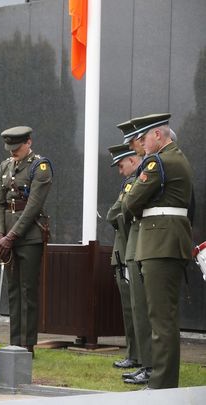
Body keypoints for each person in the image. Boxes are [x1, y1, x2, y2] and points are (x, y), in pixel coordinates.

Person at [122, 113, 193, 389]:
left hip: (159, 243)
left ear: (158, 136)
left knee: (160, 317)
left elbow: (131, 201)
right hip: (167, 242)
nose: (142, 142)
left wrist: (135, 199)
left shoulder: (158, 162)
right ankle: (164, 381)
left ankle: (162, 385)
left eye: (144, 137)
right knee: (164, 317)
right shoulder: (177, 159)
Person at [0, 126, 52, 356]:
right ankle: (14, 342)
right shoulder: (5, 166)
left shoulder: (40, 166)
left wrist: (11, 236)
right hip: (6, 237)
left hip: (29, 236)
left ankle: (27, 345)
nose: (13, 152)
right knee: (13, 289)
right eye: (10, 148)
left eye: (16, 148)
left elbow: (33, 206)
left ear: (29, 142)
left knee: (28, 290)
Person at [119, 120, 153, 384]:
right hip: (140, 243)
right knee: (138, 308)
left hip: (150, 242)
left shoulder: (155, 166)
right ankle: (144, 362)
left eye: (136, 142)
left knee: (149, 310)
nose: (137, 146)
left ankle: (149, 364)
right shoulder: (143, 169)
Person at [105, 142, 140, 372]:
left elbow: (115, 213)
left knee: (135, 310)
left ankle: (137, 356)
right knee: (129, 310)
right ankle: (133, 354)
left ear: (132, 160)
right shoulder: (128, 183)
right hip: (124, 251)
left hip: (130, 250)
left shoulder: (134, 183)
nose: (120, 171)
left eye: (121, 165)